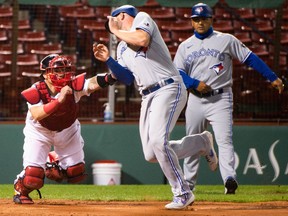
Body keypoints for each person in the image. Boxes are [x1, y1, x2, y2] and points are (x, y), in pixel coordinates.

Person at [93, 5, 218, 210]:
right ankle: (201, 143)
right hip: (147, 96)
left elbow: (142, 40)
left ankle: (183, 193)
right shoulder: (122, 47)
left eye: (113, 19)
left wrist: (116, 30)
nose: (110, 23)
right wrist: (108, 59)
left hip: (168, 87)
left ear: (122, 15)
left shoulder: (142, 18)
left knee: (160, 142)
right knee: (152, 154)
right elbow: (125, 78)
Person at [173, 3, 284, 194]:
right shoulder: (185, 46)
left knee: (225, 140)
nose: (200, 22)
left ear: (211, 19)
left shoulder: (225, 40)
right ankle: (188, 183)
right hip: (195, 99)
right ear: (191, 21)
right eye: (196, 19)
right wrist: (193, 83)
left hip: (220, 97)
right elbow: (177, 72)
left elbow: (250, 58)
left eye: (204, 18)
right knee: (191, 141)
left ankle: (229, 180)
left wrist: (271, 76)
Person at [13, 54, 117, 204]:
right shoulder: (36, 90)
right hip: (39, 132)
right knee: (33, 176)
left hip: (67, 130)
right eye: (57, 70)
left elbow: (92, 83)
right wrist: (59, 100)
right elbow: (37, 114)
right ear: (45, 74)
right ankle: (20, 190)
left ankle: (53, 159)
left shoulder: (73, 85)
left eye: (64, 69)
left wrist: (110, 77)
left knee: (76, 172)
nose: (61, 73)